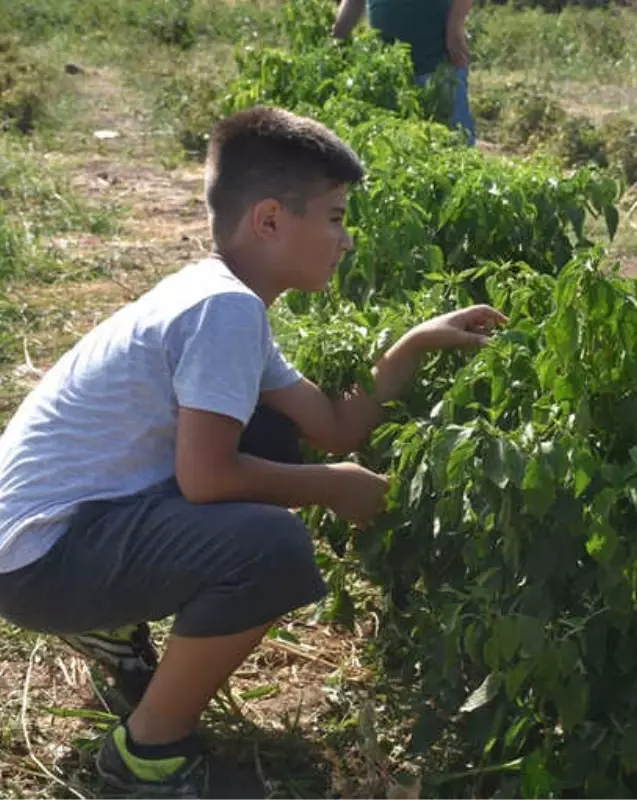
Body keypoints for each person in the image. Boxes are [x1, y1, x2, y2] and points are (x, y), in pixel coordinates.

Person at [0, 106, 505, 796]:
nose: (346, 240)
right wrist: (333, 487)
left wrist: (412, 344)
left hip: (51, 540)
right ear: (269, 220)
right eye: (333, 217)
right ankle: (147, 757)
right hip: (42, 559)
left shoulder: (224, 302)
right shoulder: (223, 311)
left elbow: (333, 426)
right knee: (270, 548)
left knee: (268, 434)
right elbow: (207, 480)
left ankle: (112, 627)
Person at [331, 0, 477, 145]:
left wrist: (455, 24)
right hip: (387, 74)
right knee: (395, 149)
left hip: (437, 68)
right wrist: (337, 38)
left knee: (454, 144)